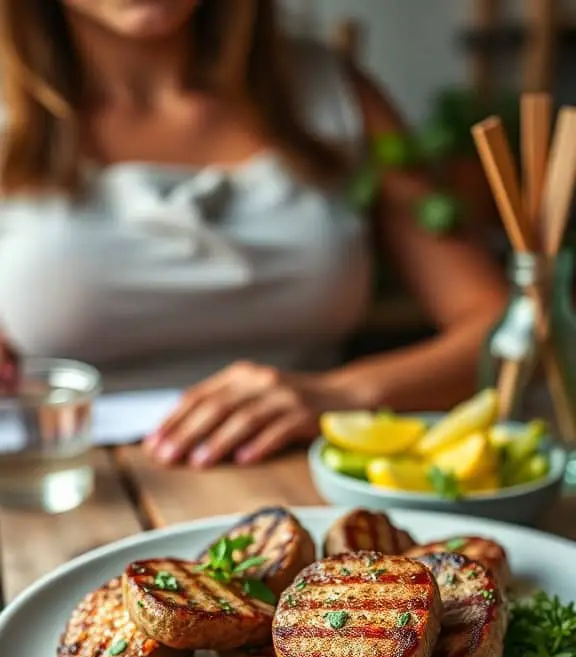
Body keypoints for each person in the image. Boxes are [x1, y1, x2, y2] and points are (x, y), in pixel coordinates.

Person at [0, 0, 506, 467]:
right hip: (64, 486)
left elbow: (505, 329)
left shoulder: (336, 93)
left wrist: (344, 395)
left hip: (306, 474)